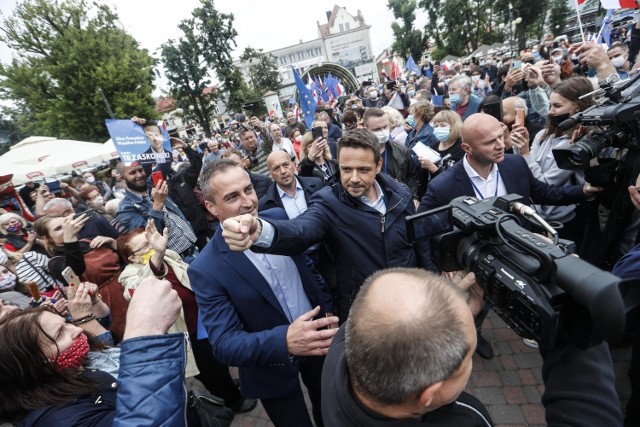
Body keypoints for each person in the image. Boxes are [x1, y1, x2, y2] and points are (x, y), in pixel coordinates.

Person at [321, 267, 623, 426]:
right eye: (467, 359)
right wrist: (577, 334)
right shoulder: (465, 419)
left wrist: (451, 304)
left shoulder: (343, 350)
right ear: (429, 394)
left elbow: (389, 311)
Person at [220, 129, 433, 321]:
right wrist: (260, 231)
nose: (354, 178)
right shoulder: (328, 202)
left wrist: (435, 284)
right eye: (346, 169)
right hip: (367, 310)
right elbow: (301, 230)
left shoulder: (400, 193)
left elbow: (420, 242)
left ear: (378, 165)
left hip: (412, 299)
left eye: (363, 169)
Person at [187, 159, 337, 427]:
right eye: (232, 197)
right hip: (270, 368)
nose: (247, 202)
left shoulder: (276, 219)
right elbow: (224, 344)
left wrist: (326, 308)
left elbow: (308, 272)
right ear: (211, 207)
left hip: (320, 344)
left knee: (331, 413)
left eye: (248, 189)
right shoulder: (205, 268)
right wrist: (284, 341)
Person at [0, 277, 188, 426]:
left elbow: (105, 344)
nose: (78, 330)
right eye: (60, 334)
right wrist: (144, 334)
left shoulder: (75, 369)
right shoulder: (59, 419)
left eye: (67, 323)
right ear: (34, 364)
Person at [116, 221, 256, 413]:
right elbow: (137, 290)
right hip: (185, 330)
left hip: (203, 318)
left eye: (151, 241)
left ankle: (228, 382)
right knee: (208, 370)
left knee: (219, 356)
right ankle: (233, 401)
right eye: (145, 246)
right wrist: (156, 254)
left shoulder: (169, 255)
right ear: (131, 257)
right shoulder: (128, 275)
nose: (152, 246)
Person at [515, 77, 596, 248]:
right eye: (551, 105)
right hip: (535, 216)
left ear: (577, 107)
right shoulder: (543, 135)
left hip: (562, 221)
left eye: (557, 106)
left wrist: (525, 152)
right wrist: (517, 147)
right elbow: (524, 170)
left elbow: (544, 185)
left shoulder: (578, 144)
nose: (551, 111)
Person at [35, 214, 130, 343]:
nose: (67, 228)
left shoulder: (89, 241)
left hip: (128, 287)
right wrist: (70, 238)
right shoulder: (55, 262)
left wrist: (113, 244)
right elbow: (76, 268)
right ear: (46, 238)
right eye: (58, 228)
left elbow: (127, 261)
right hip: (106, 303)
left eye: (66, 223)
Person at [115, 162, 198, 262]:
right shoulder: (125, 209)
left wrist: (155, 148)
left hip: (193, 246)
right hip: (178, 260)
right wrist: (158, 204)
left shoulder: (152, 183)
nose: (139, 175)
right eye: (133, 172)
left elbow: (165, 162)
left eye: (140, 170)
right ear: (123, 178)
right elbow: (149, 236)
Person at [363, 108, 418, 197]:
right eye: (377, 129)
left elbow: (411, 176)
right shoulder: (359, 154)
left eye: (385, 127)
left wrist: (414, 197)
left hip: (399, 200)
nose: (383, 132)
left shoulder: (401, 149)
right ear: (366, 130)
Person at [259, 151, 324, 216]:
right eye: (276, 168)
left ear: (293, 165)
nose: (283, 171)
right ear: (270, 174)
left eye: (286, 165)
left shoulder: (317, 185)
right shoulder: (265, 206)